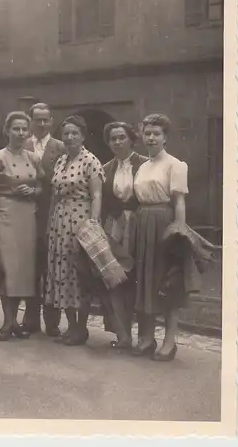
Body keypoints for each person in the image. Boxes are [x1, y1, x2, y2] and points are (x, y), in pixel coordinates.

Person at [132, 113, 189, 361]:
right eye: (147, 133)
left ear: (165, 137)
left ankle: (169, 342)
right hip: (142, 222)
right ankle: (146, 337)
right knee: (145, 281)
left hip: (163, 223)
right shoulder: (143, 166)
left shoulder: (176, 165)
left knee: (167, 283)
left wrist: (178, 229)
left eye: (156, 133)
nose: (151, 137)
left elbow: (179, 201)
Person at [44, 115, 105, 346]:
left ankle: (82, 327)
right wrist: (50, 224)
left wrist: (93, 225)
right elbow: (54, 195)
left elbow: (97, 195)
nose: (69, 137)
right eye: (66, 133)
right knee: (63, 273)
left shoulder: (91, 161)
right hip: (59, 223)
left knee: (80, 274)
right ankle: (71, 326)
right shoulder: (60, 161)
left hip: (80, 221)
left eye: (74, 133)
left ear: (83, 136)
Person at [0, 111, 43, 341]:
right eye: (15, 129)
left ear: (28, 132)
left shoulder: (34, 158)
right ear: (7, 131)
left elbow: (40, 188)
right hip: (5, 214)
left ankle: (15, 322)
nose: (20, 133)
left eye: (23, 129)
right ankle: (8, 322)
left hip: (27, 216)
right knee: (9, 269)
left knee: (23, 272)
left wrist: (34, 191)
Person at [101, 122, 147, 350]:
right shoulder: (106, 168)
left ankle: (145, 337)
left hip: (140, 225)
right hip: (115, 227)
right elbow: (103, 199)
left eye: (121, 137)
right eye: (112, 138)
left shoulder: (144, 165)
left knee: (139, 277)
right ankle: (122, 335)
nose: (117, 142)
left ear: (131, 139)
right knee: (116, 278)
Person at [21, 103, 66, 337]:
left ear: (51, 121)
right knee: (30, 269)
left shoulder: (60, 146)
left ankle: (52, 321)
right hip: (25, 217)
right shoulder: (22, 145)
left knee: (52, 269)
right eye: (36, 119)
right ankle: (30, 319)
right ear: (30, 121)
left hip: (54, 216)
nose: (41, 124)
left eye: (45, 120)